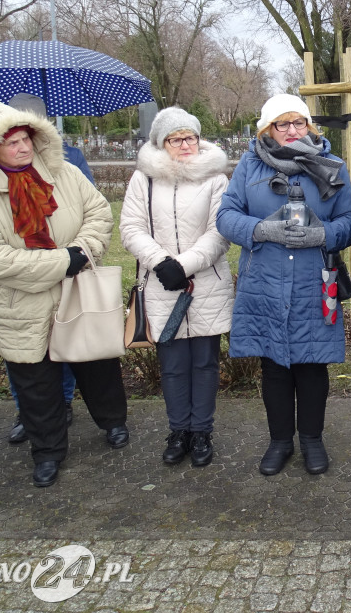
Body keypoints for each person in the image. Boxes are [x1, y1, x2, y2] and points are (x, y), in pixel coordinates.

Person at [0, 99, 127, 488]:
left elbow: (98, 213)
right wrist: (59, 263)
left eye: (25, 138)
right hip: (22, 304)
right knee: (37, 383)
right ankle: (48, 451)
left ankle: (114, 422)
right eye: (11, 142)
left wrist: (80, 253)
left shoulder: (63, 173)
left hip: (78, 288)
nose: (23, 147)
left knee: (97, 364)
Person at [217, 94, 351, 477]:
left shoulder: (332, 165)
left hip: (315, 281)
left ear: (310, 126)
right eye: (283, 124)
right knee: (274, 365)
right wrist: (261, 229)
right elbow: (226, 216)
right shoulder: (249, 165)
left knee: (312, 365)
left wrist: (323, 235)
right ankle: (280, 440)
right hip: (264, 280)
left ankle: (312, 438)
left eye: (299, 122)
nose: (293, 130)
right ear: (268, 129)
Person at [120, 108, 234, 467]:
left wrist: (183, 265)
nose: (185, 145)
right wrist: (161, 263)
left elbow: (221, 231)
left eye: (190, 137)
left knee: (204, 363)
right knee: (171, 365)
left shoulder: (216, 177)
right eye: (175, 139)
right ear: (161, 142)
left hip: (206, 284)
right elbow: (131, 227)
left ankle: (201, 431)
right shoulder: (145, 179)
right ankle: (178, 429)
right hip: (161, 285)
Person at [4, 94, 90, 445]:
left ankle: (64, 402)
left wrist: (74, 249)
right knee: (25, 347)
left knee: (64, 337)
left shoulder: (71, 158)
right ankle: (28, 412)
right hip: (23, 273)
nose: (25, 142)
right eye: (17, 135)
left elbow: (89, 205)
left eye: (31, 131)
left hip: (66, 265)